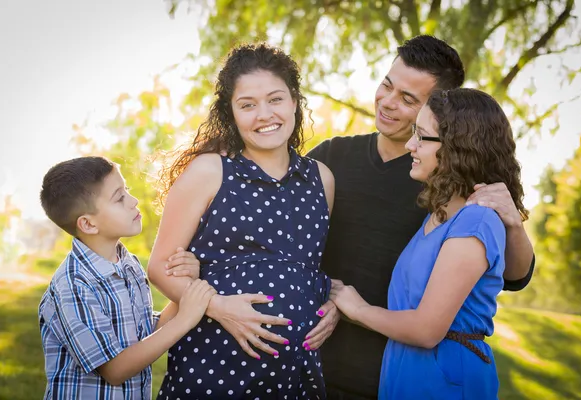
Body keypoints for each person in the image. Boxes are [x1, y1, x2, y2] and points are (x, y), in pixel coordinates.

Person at [306, 35, 536, 399]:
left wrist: (513, 222)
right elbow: (279, 238)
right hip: (312, 362)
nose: (388, 102)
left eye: (408, 99)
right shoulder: (331, 156)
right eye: (386, 85)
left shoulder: (450, 187)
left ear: (440, 115)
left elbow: (513, 275)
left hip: (390, 375)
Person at [147, 43, 335, 398]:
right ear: (231, 113)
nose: (264, 114)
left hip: (294, 375)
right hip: (215, 366)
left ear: (295, 101)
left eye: (275, 99)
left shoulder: (321, 178)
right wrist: (219, 307)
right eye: (248, 105)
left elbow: (310, 269)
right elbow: (159, 267)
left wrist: (333, 304)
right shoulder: (210, 171)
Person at [38, 156, 215, 399]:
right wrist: (184, 319)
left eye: (127, 191)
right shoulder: (73, 285)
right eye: (119, 198)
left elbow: (145, 336)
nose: (133, 201)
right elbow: (115, 369)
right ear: (88, 224)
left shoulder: (128, 264)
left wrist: (187, 288)